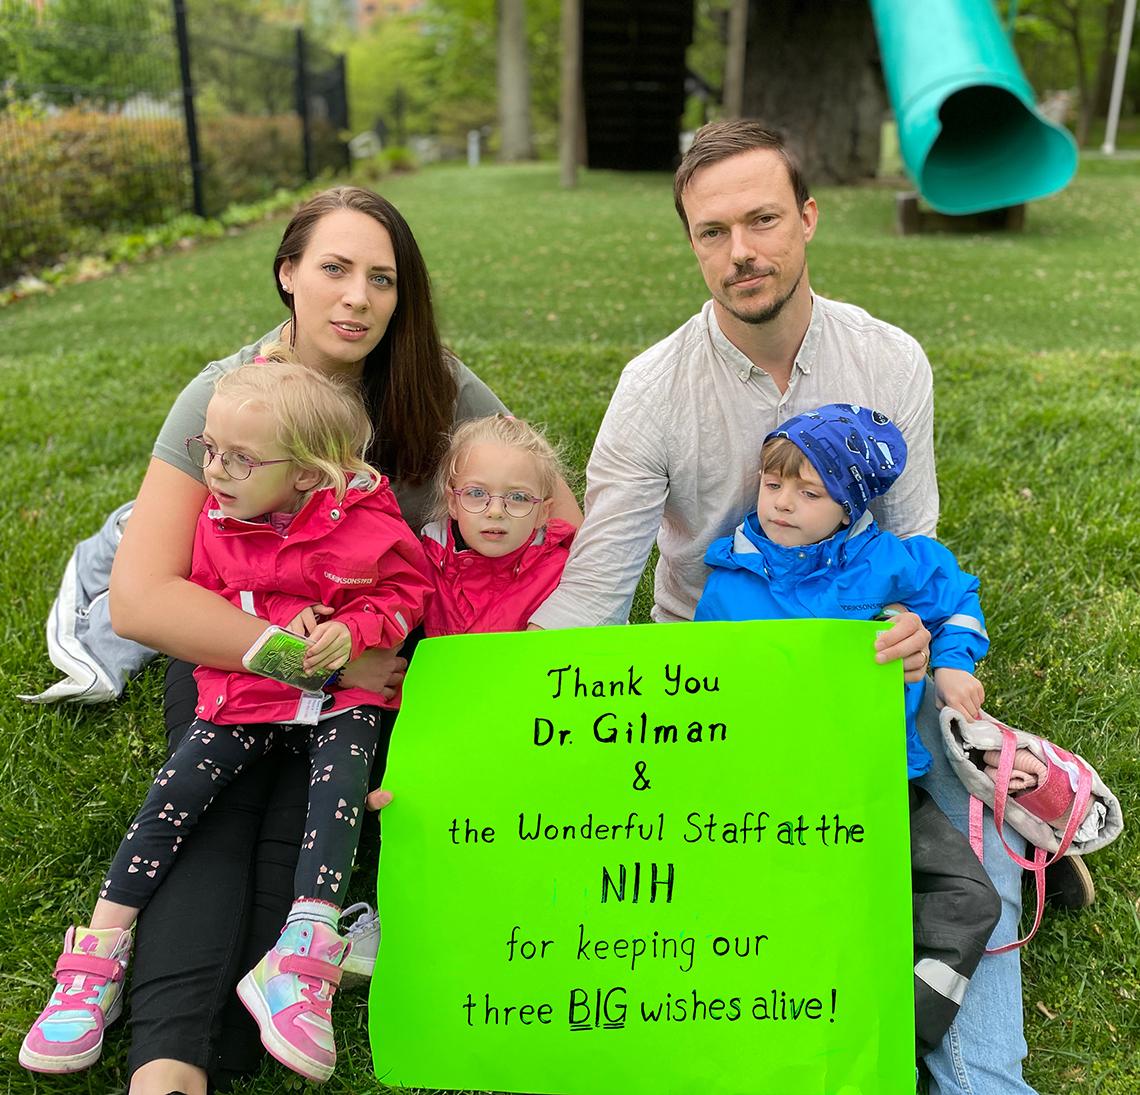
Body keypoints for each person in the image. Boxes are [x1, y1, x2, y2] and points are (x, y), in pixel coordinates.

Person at [529, 121, 1038, 1094]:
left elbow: (913, 547)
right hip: (712, 686)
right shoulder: (650, 390)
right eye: (712, 232)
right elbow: (591, 599)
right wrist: (492, 740)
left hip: (862, 680)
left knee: (982, 820)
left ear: (808, 218)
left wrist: (924, 632)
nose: (741, 252)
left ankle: (975, 1079)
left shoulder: (891, 362)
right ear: (691, 243)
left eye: (762, 219)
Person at [102, 186, 581, 1095]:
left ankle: (245, 1025)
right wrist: (305, 658)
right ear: (287, 275)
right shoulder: (224, 392)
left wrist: (476, 662)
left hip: (377, 666)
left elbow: (559, 517)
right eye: (334, 269)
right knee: (209, 815)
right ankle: (167, 1062)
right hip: (238, 651)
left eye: (383, 278)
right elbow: (139, 596)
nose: (359, 297)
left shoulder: (431, 382)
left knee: (306, 827)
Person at [21, 356, 434, 1084]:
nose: (215, 471)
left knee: (340, 792)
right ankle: (97, 957)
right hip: (248, 691)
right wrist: (283, 625)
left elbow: (408, 593)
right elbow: (215, 596)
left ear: (308, 473)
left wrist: (362, 625)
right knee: (173, 797)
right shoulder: (217, 518)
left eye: (239, 458)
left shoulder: (369, 519)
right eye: (208, 449)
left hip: (346, 698)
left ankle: (300, 955)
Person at [694, 403, 1001, 1059]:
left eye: (811, 492)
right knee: (792, 918)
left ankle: (899, 1038)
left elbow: (959, 597)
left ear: (850, 506)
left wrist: (948, 664)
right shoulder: (726, 587)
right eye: (774, 483)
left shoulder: (892, 563)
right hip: (773, 804)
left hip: (882, 784)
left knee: (972, 900)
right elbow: (710, 699)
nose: (782, 503)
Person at [421, 415, 575, 637]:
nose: (495, 512)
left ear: (543, 512)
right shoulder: (426, 563)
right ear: (453, 502)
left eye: (518, 497)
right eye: (476, 493)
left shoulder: (564, 575)